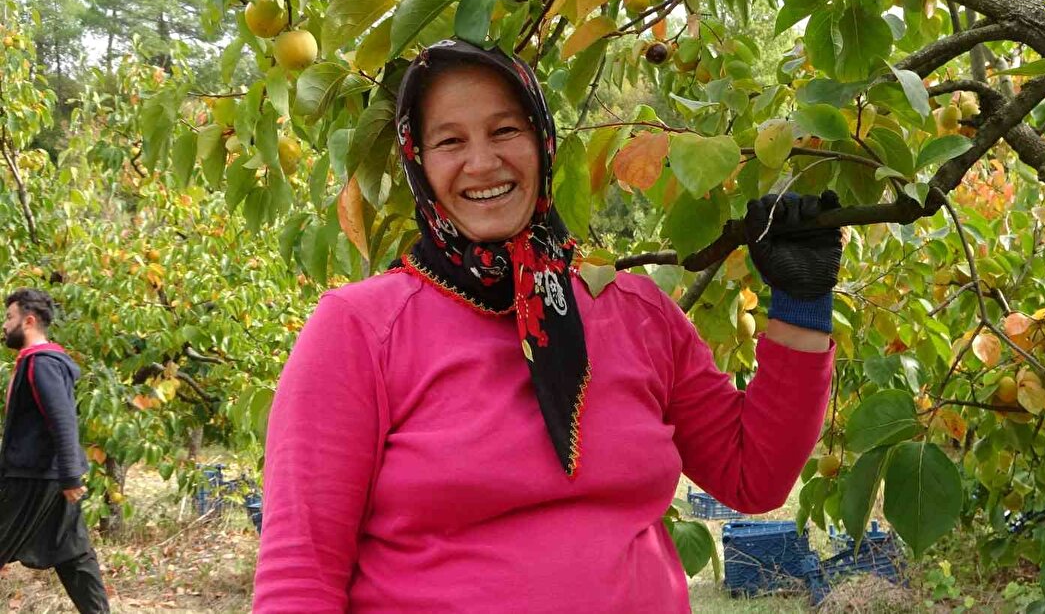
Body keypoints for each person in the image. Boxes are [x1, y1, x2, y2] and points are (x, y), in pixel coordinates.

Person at [253, 39, 842, 613]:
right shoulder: (362, 330)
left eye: (506, 130)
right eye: (449, 140)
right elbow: (300, 573)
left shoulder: (633, 313)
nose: (483, 162)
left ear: (542, 140)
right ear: (419, 162)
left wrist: (801, 306)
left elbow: (753, 477)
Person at [0, 288, 110, 613]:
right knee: (73, 554)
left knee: (74, 554)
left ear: (29, 321)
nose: (5, 325)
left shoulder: (42, 364)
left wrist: (69, 475)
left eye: (9, 317)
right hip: (48, 477)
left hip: (35, 478)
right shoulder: (37, 362)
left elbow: (62, 419)